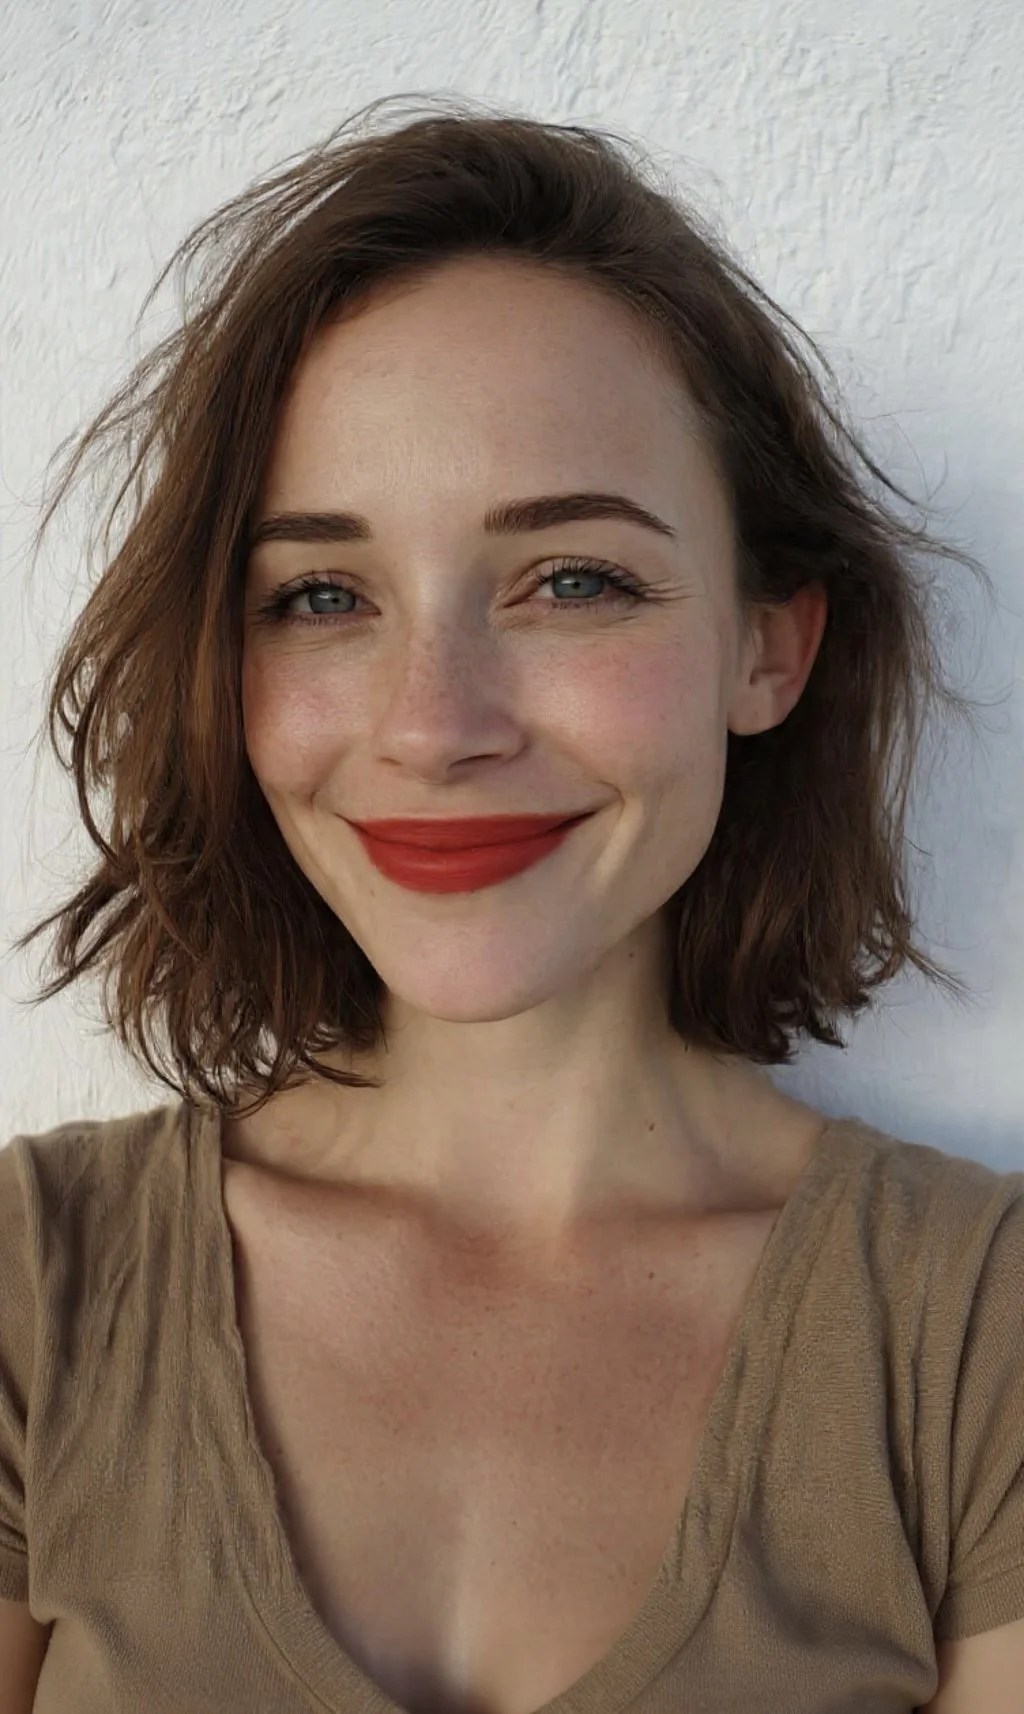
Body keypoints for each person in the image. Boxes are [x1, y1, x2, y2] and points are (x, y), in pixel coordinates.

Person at [1, 94, 1022, 1714]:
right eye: (322, 595)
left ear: (771, 646)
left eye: (574, 579)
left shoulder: (982, 1333)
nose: (433, 720)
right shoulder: (31, 1284)